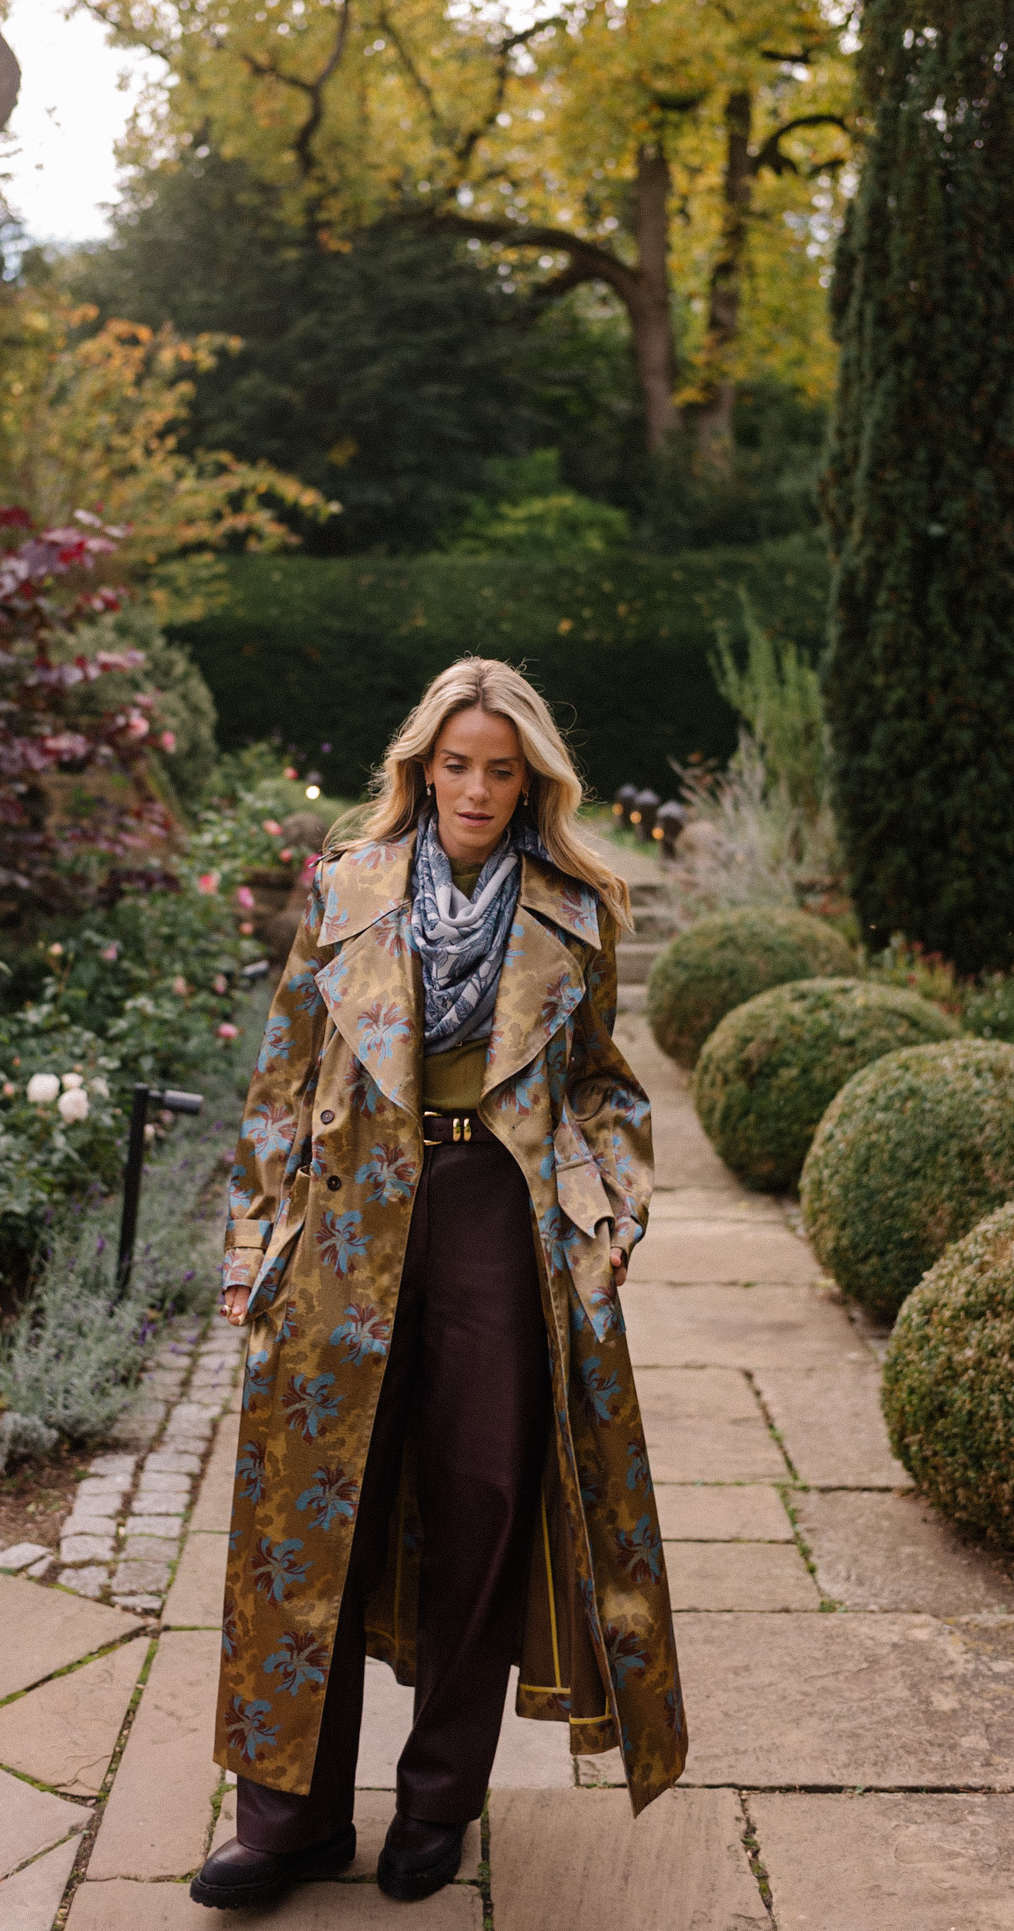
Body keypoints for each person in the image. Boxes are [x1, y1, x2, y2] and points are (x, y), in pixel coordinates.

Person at [190, 657, 685, 1913]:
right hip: (348, 1221)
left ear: (530, 782)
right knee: (310, 1513)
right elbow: (280, 1084)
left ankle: (435, 1806)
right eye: (454, 765)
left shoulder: (577, 906)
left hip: (498, 1223)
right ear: (422, 769)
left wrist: (611, 1211)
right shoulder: (344, 891)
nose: (474, 788)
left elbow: (603, 1085)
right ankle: (286, 1820)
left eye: (498, 769)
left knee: (484, 1503)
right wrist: (255, 1248)